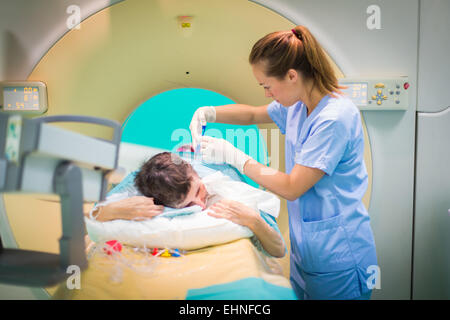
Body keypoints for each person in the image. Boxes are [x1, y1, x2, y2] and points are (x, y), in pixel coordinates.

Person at [190, 25, 377, 300]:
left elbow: (291, 187)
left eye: (267, 86)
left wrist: (235, 157)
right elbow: (253, 114)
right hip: (308, 249)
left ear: (291, 76)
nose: (266, 93)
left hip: (338, 254)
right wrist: (208, 112)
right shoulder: (298, 103)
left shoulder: (333, 118)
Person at [88, 152, 286, 258]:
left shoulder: (222, 177)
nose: (200, 205)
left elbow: (278, 250)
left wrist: (254, 221)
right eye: (189, 204)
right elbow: (95, 215)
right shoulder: (136, 182)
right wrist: (113, 210)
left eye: (199, 191)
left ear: (193, 172)